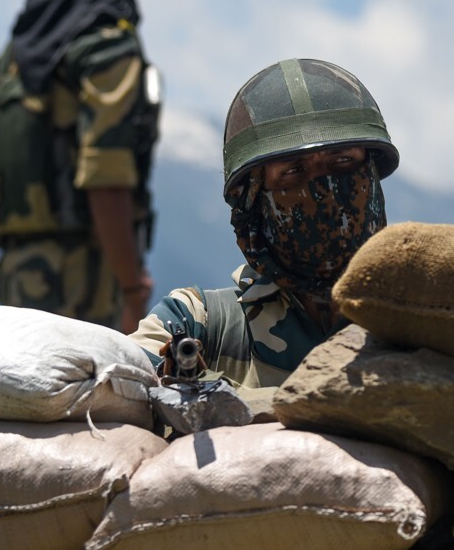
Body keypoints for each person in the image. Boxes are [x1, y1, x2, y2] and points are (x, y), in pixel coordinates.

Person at [130, 58, 398, 388]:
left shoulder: (423, 317)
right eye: (292, 172)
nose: (323, 190)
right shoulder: (197, 322)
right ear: (253, 203)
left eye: (342, 163)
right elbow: (116, 382)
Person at [0, 0, 160, 334]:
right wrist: (132, 288)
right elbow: (107, 178)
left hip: (19, 270)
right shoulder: (106, 48)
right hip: (86, 277)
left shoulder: (19, 51)